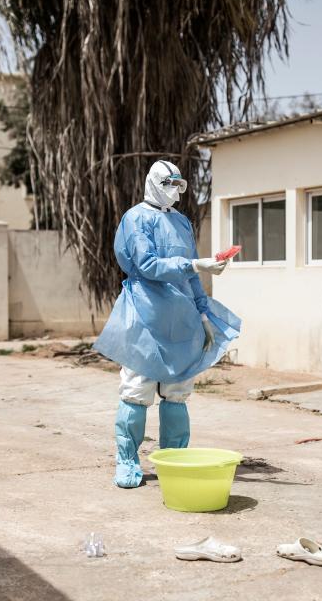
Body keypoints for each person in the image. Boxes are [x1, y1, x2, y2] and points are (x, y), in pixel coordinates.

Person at [93, 160, 241, 488]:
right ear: (155, 182)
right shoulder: (136, 219)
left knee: (177, 391)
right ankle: (128, 460)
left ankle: (174, 461)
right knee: (137, 389)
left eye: (179, 184)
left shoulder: (182, 222)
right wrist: (192, 263)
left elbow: (189, 276)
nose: (175, 190)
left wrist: (203, 313)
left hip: (182, 317)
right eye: (169, 183)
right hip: (145, 314)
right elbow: (147, 264)